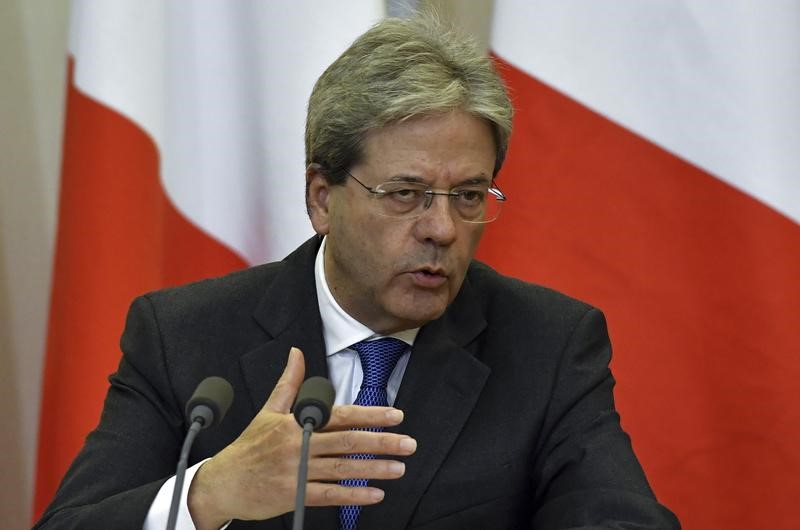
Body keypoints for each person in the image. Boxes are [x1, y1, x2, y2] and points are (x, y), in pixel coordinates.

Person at [35, 14, 680, 530]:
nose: (443, 228)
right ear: (322, 198)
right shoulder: (184, 337)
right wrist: (208, 494)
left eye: (469, 195)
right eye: (405, 193)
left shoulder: (548, 345)